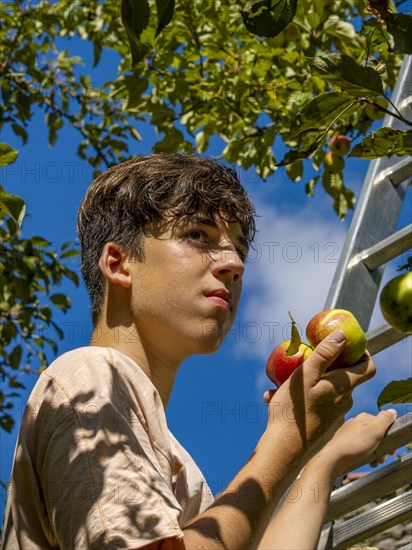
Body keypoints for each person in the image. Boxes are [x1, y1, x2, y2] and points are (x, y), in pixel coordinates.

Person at [2, 153, 397, 549]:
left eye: (238, 248)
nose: (233, 263)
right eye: (197, 236)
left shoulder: (168, 454)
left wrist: (317, 460)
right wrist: (288, 438)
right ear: (119, 263)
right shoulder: (87, 378)